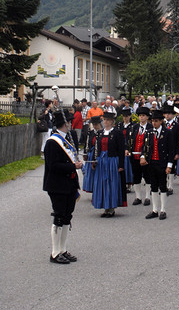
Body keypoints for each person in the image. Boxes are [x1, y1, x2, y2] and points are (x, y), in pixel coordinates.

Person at [43, 109, 83, 264]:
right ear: (65, 123)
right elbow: (53, 166)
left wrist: (76, 165)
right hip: (57, 185)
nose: (71, 123)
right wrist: (73, 166)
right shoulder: (52, 142)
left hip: (70, 184)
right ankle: (55, 252)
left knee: (67, 216)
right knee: (59, 217)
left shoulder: (68, 139)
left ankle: (63, 249)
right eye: (69, 121)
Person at [140, 109, 175, 220]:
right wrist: (142, 157)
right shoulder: (149, 132)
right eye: (152, 121)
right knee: (153, 186)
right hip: (151, 163)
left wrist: (169, 165)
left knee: (163, 186)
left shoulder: (168, 133)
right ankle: (155, 210)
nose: (154, 123)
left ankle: (163, 210)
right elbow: (144, 147)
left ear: (161, 121)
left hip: (162, 163)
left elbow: (171, 150)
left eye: (156, 121)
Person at [92, 108, 126, 217]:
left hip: (112, 161)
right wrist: (95, 160)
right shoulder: (100, 133)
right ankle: (105, 207)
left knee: (111, 183)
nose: (105, 121)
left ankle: (111, 208)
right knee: (102, 183)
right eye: (104, 119)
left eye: (107, 120)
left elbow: (121, 150)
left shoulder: (117, 133)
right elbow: (97, 148)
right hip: (101, 161)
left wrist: (121, 165)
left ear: (112, 121)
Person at [128, 107, 153, 206]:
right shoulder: (134, 127)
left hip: (146, 156)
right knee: (136, 176)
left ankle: (147, 197)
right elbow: (129, 140)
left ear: (147, 117)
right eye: (140, 116)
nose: (141, 117)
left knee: (147, 176)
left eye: (143, 116)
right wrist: (127, 149)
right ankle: (138, 197)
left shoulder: (151, 127)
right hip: (134, 155)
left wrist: (146, 155)